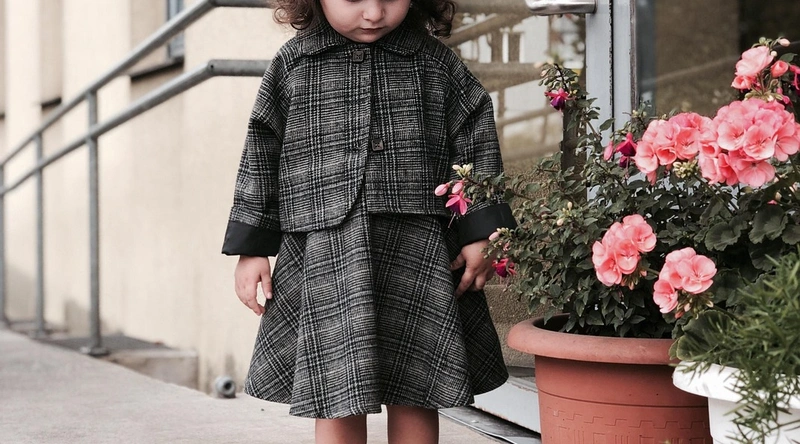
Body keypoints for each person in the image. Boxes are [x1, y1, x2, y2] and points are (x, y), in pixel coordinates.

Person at [221, 0, 517, 443]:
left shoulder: (435, 62)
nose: (374, 13)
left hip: (418, 249)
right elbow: (261, 154)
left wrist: (480, 229)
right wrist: (252, 248)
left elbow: (475, 141)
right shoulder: (294, 64)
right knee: (335, 384)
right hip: (327, 250)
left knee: (418, 381)